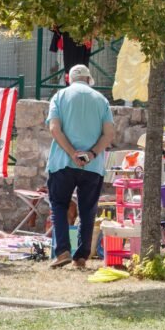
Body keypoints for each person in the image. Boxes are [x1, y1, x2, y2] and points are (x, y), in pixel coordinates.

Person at [47, 64, 115, 269]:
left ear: (69, 79)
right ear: (88, 79)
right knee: (88, 210)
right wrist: (92, 153)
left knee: (59, 205)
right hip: (92, 167)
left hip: (62, 163)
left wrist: (71, 153)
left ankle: (63, 251)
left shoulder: (59, 97)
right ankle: (82, 256)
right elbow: (109, 134)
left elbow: (54, 128)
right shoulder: (101, 100)